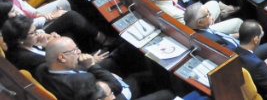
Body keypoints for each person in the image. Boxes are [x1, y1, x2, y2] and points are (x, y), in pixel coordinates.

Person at [37, 37, 175, 100]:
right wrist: (91, 65)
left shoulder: (42, 68)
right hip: (113, 94)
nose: (78, 52)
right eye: (74, 50)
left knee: (112, 61)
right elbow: (116, 88)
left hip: (97, 91)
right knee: (164, 93)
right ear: (61, 58)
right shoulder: (83, 80)